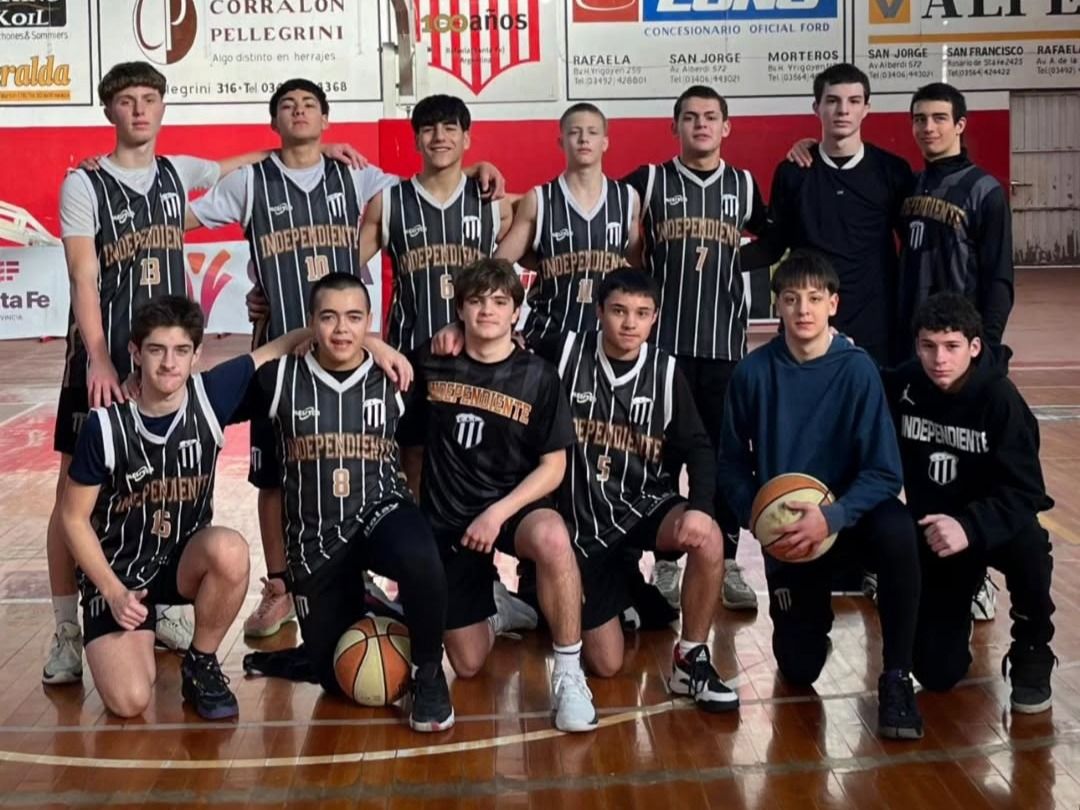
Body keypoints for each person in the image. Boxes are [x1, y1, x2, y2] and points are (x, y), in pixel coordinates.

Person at [44, 61, 335, 685]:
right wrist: (99, 354)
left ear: (163, 107)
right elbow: (83, 275)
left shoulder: (181, 173)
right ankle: (69, 626)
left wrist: (316, 146)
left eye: (149, 99)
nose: (139, 110)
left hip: (167, 349)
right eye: (126, 101)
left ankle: (170, 600)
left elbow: (245, 164)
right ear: (109, 112)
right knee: (74, 490)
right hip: (106, 352)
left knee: (181, 469)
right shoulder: (84, 184)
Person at [190, 82, 501, 639]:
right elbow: (183, 213)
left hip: (349, 354)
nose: (300, 112)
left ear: (328, 119)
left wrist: (481, 165)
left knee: (368, 463)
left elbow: (433, 179)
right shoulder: (251, 181)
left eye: (309, 105)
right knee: (273, 473)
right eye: (288, 106)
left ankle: (375, 572)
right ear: (274, 121)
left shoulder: (360, 180)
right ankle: (282, 589)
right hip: (279, 351)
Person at [59, 295, 309, 719]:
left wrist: (375, 345)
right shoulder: (105, 427)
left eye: (180, 351)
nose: (169, 363)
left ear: (197, 355)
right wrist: (112, 591)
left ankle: (201, 661)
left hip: (181, 565)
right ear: (136, 353)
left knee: (230, 550)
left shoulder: (210, 395)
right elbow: (72, 518)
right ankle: (137, 626)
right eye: (156, 350)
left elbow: (282, 345)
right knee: (130, 700)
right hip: (122, 576)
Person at [717, 249, 924, 740]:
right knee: (799, 668)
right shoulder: (752, 373)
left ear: (834, 303)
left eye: (814, 298)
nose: (803, 309)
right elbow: (729, 463)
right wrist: (758, 518)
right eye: (791, 299)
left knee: (899, 533)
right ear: (777, 307)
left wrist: (833, 516)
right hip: (790, 530)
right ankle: (809, 621)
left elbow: (885, 472)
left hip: (846, 519)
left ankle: (897, 675)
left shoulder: (857, 370)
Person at [239, 272, 454, 731]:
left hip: (379, 511)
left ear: (369, 321)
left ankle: (429, 674)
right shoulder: (278, 381)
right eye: (329, 318)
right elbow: (213, 398)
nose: (341, 329)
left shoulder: (397, 378)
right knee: (340, 676)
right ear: (311, 322)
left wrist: (415, 515)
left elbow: (416, 451)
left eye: (354, 318)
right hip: (316, 540)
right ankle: (377, 608)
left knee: (421, 556)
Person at [399, 258, 597, 732]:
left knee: (552, 536)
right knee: (467, 664)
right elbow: (412, 442)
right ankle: (499, 607)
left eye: (499, 301)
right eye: (475, 301)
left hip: (511, 511)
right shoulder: (431, 360)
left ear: (515, 313)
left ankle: (569, 673)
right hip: (450, 519)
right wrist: (415, 499)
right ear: (460, 310)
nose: (488, 310)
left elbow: (555, 466)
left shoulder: (538, 376)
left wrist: (498, 513)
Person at [539, 268, 737, 711]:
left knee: (708, 538)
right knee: (607, 664)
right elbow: (505, 348)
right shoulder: (565, 350)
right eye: (619, 311)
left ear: (655, 319)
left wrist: (701, 506)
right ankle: (588, 591)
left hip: (644, 505)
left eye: (641, 313)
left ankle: (691, 660)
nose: (629, 323)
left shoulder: (666, 372)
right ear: (599, 312)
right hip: (582, 525)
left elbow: (700, 448)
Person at [621, 85, 769, 613]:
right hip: (663, 350)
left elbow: (775, 237)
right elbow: (607, 213)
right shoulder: (652, 180)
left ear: (726, 127)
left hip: (723, 347)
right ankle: (665, 562)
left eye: (710, 117)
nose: (701, 125)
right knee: (661, 455)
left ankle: (726, 558)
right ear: (675, 126)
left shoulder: (745, 186)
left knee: (726, 456)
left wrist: (736, 265)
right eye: (690, 117)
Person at [885, 292, 1055, 712]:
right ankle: (964, 594)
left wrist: (971, 526)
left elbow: (1028, 491)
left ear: (974, 347)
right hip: (939, 533)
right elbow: (864, 381)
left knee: (1032, 545)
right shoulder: (905, 385)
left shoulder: (1001, 401)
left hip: (992, 526)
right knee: (936, 673)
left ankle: (1032, 646)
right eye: (928, 346)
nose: (938, 358)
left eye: (951, 346)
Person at [746, 63, 914, 367]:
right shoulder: (793, 173)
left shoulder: (893, 171)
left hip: (876, 323)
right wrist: (717, 257)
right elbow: (773, 246)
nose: (843, 110)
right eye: (833, 100)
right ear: (817, 107)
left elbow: (912, 250)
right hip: (809, 321)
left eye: (853, 101)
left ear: (867, 109)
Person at [357, 94, 513, 354]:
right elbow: (343, 268)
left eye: (450, 128)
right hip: (409, 352)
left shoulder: (494, 202)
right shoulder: (388, 202)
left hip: (478, 352)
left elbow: (541, 256)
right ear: (417, 141)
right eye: (429, 129)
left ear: (466, 139)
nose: (439, 136)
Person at [492, 102, 639, 347]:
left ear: (605, 142)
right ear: (561, 142)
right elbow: (497, 266)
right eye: (574, 132)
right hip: (548, 336)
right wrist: (507, 322)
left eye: (592, 132)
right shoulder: (539, 199)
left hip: (607, 339)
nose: (583, 139)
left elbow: (640, 269)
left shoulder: (627, 198)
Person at [897, 83, 1014, 367]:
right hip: (910, 337)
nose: (928, 127)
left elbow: (999, 278)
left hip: (957, 339)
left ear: (960, 124)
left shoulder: (984, 190)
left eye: (939, 118)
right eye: (920, 119)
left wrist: (986, 345)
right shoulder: (907, 185)